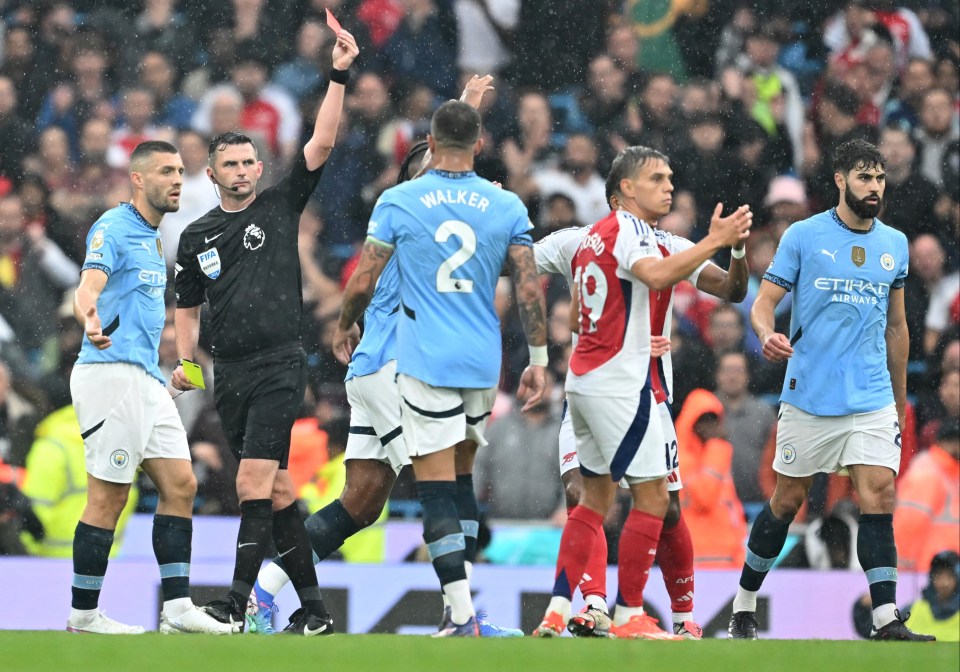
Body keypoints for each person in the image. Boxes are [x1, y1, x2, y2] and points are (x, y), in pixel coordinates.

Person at [247, 77, 521, 638]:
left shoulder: (416, 216)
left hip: (374, 371)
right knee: (447, 482)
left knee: (363, 502)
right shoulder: (411, 208)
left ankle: (263, 592)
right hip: (401, 368)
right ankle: (463, 618)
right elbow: (439, 169)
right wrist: (465, 109)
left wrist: (463, 112)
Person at [332, 100, 549, 637]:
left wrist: (344, 324)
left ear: (428, 145)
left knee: (433, 488)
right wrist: (540, 360)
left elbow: (363, 279)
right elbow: (527, 287)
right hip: (482, 361)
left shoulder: (401, 199)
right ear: (480, 145)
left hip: (426, 358)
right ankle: (463, 611)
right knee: (461, 482)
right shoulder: (506, 205)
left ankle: (460, 617)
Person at [171, 31, 360, 636]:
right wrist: (188, 364)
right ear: (213, 172)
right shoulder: (196, 236)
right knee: (276, 490)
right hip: (229, 373)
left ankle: (232, 603)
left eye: (250, 161)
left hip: (281, 363)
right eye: (231, 163)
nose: (244, 170)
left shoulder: (279, 205)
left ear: (259, 166)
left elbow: (323, 139)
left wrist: (337, 76)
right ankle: (316, 612)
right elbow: (188, 309)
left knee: (252, 480)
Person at [532, 151, 751, 639]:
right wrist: (714, 238)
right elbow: (525, 261)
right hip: (621, 384)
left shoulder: (662, 241)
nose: (670, 186)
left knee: (640, 503)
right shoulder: (604, 235)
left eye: (672, 177)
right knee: (626, 498)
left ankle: (567, 608)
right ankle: (616, 610)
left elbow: (732, 290)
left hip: (621, 386)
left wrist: (732, 249)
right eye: (658, 178)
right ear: (622, 192)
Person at [728, 138, 935, 642]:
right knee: (787, 500)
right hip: (810, 393)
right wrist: (764, 333)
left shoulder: (895, 244)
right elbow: (764, 302)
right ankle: (744, 604)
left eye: (880, 178)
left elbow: (897, 329)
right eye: (864, 177)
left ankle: (885, 618)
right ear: (840, 179)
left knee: (878, 495)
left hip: (871, 396)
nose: (874, 187)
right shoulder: (803, 235)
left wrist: (898, 398)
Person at [67, 141, 231, 635]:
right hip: (109, 373)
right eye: (166, 171)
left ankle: (177, 609)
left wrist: (181, 370)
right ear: (138, 179)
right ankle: (83, 616)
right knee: (108, 498)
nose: (178, 179)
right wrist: (89, 317)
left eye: (181, 171)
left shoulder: (156, 239)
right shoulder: (114, 227)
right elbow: (88, 285)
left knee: (181, 485)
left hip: (145, 378)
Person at [894, 418, 960, 572]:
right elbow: (909, 523)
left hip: (946, 569)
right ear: (952, 443)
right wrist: (905, 567)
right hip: (929, 569)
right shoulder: (928, 472)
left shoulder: (949, 472)